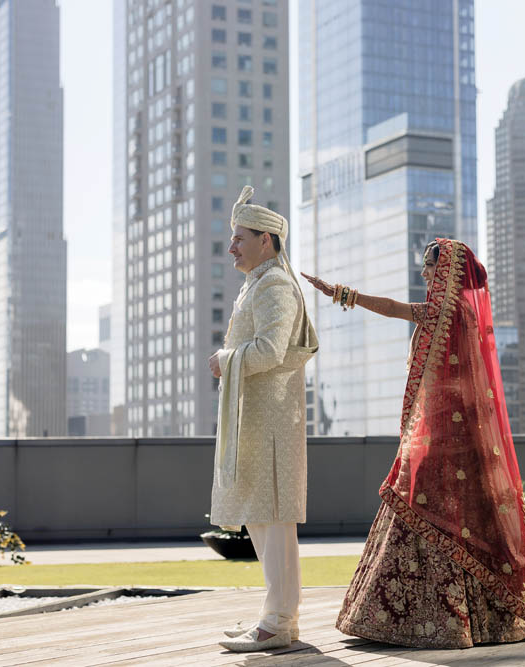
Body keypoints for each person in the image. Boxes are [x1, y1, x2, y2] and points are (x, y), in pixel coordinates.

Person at [302, 238, 525, 648]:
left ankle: (430, 619)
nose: (425, 274)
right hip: (462, 440)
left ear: (448, 270)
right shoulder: (465, 313)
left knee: (422, 505)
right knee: (467, 518)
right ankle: (484, 617)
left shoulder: (446, 311)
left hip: (444, 440)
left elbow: (396, 310)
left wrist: (341, 293)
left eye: (431, 267)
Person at [210, 186, 318, 652]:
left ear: (266, 241)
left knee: (273, 518)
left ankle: (277, 621)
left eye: (239, 238)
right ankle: (278, 619)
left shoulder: (275, 285)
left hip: (272, 420)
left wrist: (225, 359)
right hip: (257, 418)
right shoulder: (258, 283)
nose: (231, 246)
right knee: (262, 516)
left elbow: (272, 351)